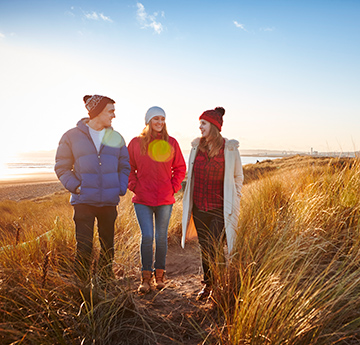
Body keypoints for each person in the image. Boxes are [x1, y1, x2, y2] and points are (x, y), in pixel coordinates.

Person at [55, 94, 130, 279]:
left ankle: (105, 285)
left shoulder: (116, 137)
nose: (114, 115)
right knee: (84, 247)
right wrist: (76, 187)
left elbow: (125, 165)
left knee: (108, 247)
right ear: (97, 112)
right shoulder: (71, 136)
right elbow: (62, 167)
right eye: (110, 111)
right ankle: (82, 286)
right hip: (83, 201)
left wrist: (120, 188)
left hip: (109, 202)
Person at [182, 107, 244, 300]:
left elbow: (238, 177)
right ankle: (209, 284)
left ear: (214, 126)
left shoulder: (229, 149)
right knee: (205, 248)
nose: (200, 127)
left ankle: (221, 286)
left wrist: (236, 199)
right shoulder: (196, 147)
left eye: (203, 123)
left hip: (219, 208)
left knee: (215, 246)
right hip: (199, 207)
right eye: (200, 123)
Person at [128, 106, 186, 293]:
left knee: (161, 238)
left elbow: (180, 168)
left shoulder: (172, 143)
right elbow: (127, 167)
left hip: (164, 199)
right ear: (148, 121)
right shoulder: (136, 143)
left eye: (162, 119)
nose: (160, 122)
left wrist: (173, 187)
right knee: (147, 236)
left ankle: (159, 275)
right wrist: (134, 185)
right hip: (142, 199)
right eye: (156, 119)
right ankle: (145, 278)